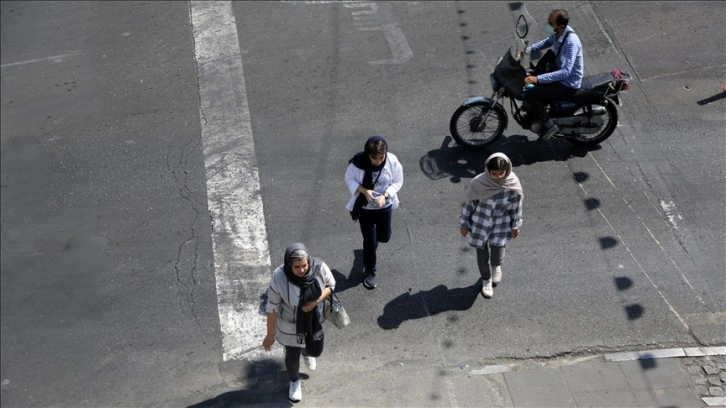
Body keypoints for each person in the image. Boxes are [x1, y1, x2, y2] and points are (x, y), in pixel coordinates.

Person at [263, 243, 336, 403]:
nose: (302, 270)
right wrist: (270, 334)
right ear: (289, 265)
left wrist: (315, 301)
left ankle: (307, 353)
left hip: (313, 321)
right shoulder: (279, 277)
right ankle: (294, 382)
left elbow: (331, 285)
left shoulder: (319, 267)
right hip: (290, 325)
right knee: (292, 354)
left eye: (304, 265)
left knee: (313, 348)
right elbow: (272, 307)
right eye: (297, 267)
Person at [458, 153, 523, 298]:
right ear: (488, 170)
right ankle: (486, 279)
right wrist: (464, 223)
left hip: (501, 225)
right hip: (479, 224)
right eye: (494, 173)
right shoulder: (478, 183)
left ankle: (496, 266)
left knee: (498, 252)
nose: (498, 177)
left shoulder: (512, 183)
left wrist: (516, 225)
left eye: (502, 173)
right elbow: (468, 204)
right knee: (482, 256)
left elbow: (516, 206)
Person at [345, 135, 404, 290]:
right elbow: (349, 178)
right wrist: (365, 192)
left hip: (385, 206)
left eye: (380, 157)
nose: (377, 161)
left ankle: (370, 245)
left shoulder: (392, 161)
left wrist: (385, 196)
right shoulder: (358, 163)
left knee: (385, 237)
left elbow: (398, 181)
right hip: (365, 210)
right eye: (374, 158)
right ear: (367, 154)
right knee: (370, 242)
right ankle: (370, 271)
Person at [523, 9, 584, 141]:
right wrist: (526, 50)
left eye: (551, 24)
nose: (548, 26)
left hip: (567, 83)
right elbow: (547, 41)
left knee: (530, 94)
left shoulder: (571, 42)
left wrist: (537, 79)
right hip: (557, 71)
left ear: (560, 26)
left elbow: (565, 72)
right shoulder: (560, 32)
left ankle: (550, 126)